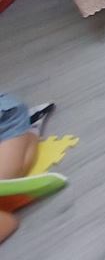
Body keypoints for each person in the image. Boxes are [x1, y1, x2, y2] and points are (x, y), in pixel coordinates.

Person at [0, 94, 54, 244]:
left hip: (5, 118)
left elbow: (7, 222)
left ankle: (27, 130)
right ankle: (29, 132)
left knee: (5, 182)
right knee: (8, 183)